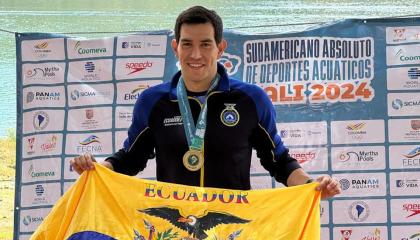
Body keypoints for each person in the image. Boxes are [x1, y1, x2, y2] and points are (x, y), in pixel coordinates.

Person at [70, 5, 341, 199]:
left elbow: (278, 161)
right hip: (173, 225)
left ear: (220, 47)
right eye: (187, 44)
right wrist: (98, 169)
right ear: (175, 47)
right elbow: (130, 158)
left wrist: (311, 185)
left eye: (206, 44)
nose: (195, 54)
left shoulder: (250, 99)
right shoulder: (153, 101)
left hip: (232, 225)